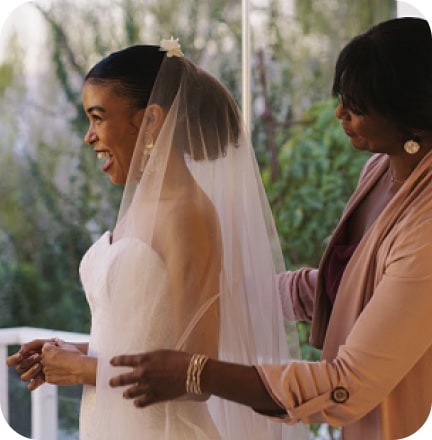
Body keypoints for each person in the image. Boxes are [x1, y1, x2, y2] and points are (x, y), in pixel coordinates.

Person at [104, 17, 432, 440]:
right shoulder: (379, 171)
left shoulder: (425, 229)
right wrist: (222, 295)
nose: (340, 114)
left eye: (358, 104)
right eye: (342, 98)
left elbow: (347, 383)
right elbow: (347, 290)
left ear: (411, 115)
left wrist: (198, 372)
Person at [6, 40, 306, 439]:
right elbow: (143, 337)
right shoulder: (138, 206)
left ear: (150, 122)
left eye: (97, 118)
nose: (88, 137)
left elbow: (194, 372)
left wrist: (83, 370)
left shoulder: (189, 214)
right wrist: (67, 354)